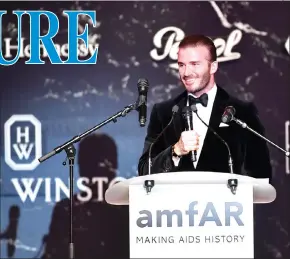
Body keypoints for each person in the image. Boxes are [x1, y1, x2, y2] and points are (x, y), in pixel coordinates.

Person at [138, 34, 272, 181]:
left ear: (213, 66)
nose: (186, 73)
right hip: (174, 203)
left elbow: (261, 175)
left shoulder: (242, 112)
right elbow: (145, 170)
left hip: (227, 203)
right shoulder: (163, 112)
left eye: (195, 64)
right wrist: (176, 151)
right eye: (182, 65)